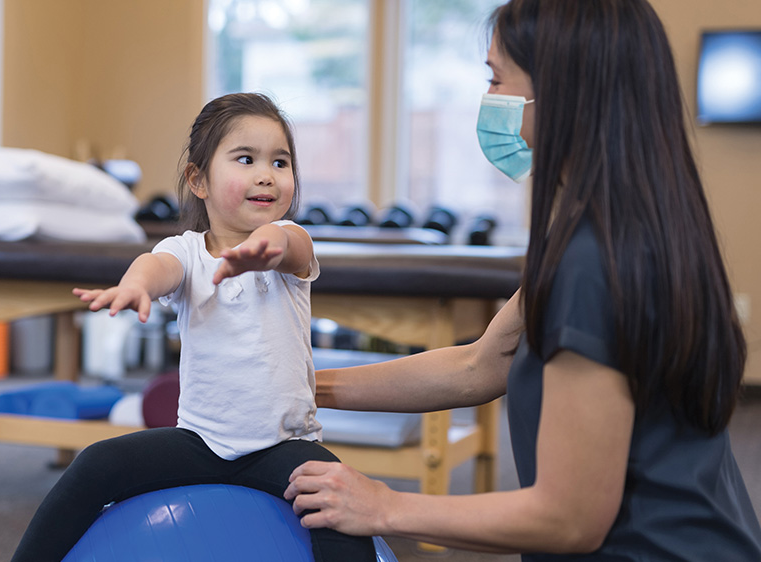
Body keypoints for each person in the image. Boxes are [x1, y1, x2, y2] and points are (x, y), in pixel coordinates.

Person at [284, 0, 761, 560]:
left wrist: (382, 505)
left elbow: (569, 518)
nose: (489, 101)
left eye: (496, 79)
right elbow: (477, 365)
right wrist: (307, 388)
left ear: (560, 91)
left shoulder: (593, 261)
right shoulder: (631, 223)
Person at [9, 92, 376, 561]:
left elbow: (286, 244)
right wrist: (134, 285)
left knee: (340, 508)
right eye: (246, 159)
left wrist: (263, 247)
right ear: (198, 180)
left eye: (280, 162)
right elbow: (156, 265)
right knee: (96, 463)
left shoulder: (290, 243)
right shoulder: (187, 250)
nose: (267, 174)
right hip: (200, 442)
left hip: (285, 446)